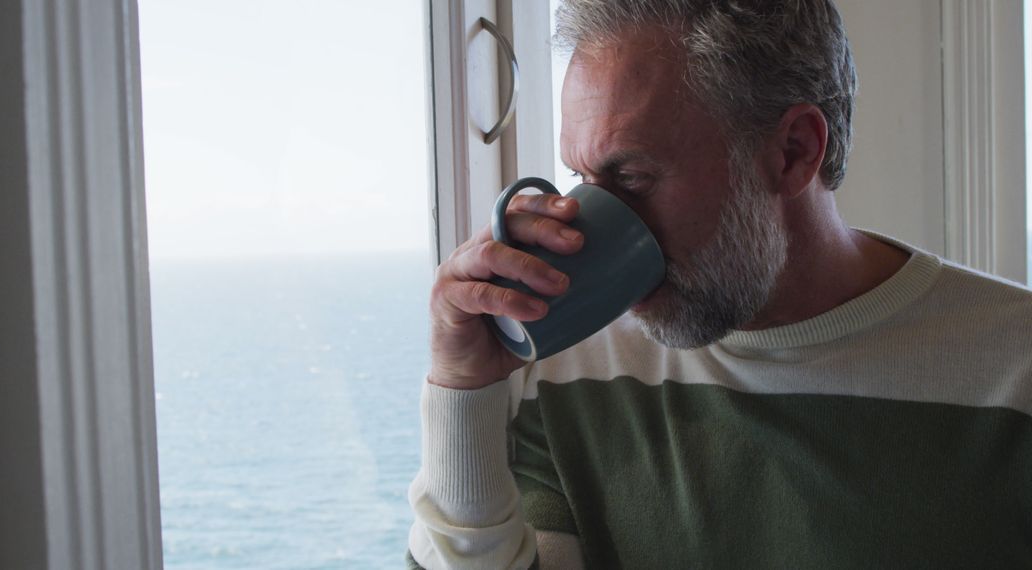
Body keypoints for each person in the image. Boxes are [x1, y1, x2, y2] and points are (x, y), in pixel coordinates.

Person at [407, 0, 1032, 568]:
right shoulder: (567, 366)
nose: (588, 222)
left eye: (633, 178)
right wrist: (462, 392)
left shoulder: (1012, 368)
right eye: (581, 176)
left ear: (792, 151)